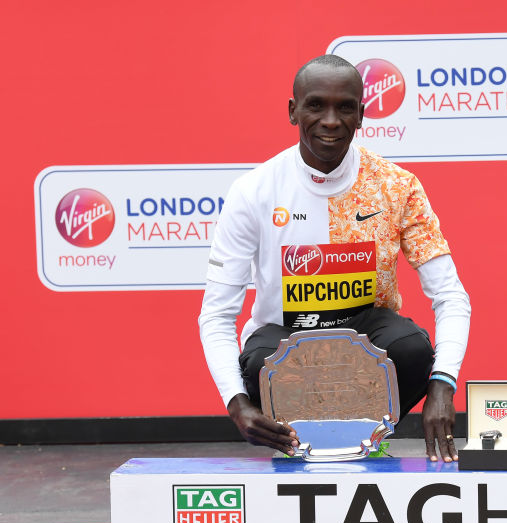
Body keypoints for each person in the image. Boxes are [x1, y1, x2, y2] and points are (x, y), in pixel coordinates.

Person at [198, 55, 470, 462]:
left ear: (361, 115)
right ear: (293, 111)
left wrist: (443, 384)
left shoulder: (397, 186)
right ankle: (304, 444)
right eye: (315, 105)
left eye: (344, 108)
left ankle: (366, 440)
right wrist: (237, 403)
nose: (330, 121)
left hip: (369, 338)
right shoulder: (253, 191)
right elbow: (217, 314)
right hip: (285, 339)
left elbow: (451, 296)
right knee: (260, 364)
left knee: (412, 349)